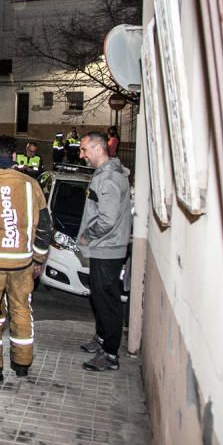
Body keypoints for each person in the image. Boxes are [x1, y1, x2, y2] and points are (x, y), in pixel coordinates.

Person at [0, 136, 52, 383]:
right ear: (14, 157)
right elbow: (45, 227)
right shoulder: (31, 185)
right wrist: (38, 258)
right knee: (22, 308)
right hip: (22, 262)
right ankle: (22, 362)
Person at [77, 131, 133, 372]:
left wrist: (88, 237)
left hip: (106, 248)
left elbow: (107, 219)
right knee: (98, 297)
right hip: (106, 247)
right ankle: (101, 340)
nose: (82, 155)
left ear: (98, 149)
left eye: (84, 150)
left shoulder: (108, 178)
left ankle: (110, 355)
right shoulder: (105, 175)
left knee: (107, 301)